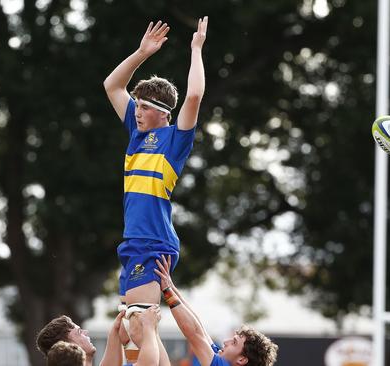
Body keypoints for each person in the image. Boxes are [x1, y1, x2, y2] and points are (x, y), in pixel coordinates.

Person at [103, 15, 209, 363]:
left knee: (138, 325)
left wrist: (196, 49)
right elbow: (112, 86)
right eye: (138, 106)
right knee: (131, 331)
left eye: (144, 107)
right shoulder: (136, 133)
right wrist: (141, 53)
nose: (137, 111)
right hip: (134, 241)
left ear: (163, 113)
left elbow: (194, 94)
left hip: (153, 241)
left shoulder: (174, 140)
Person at [155, 256, 279, 366]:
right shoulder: (221, 359)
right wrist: (170, 287)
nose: (226, 342)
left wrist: (167, 291)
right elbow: (199, 329)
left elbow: (194, 334)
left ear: (241, 359)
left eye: (234, 342)